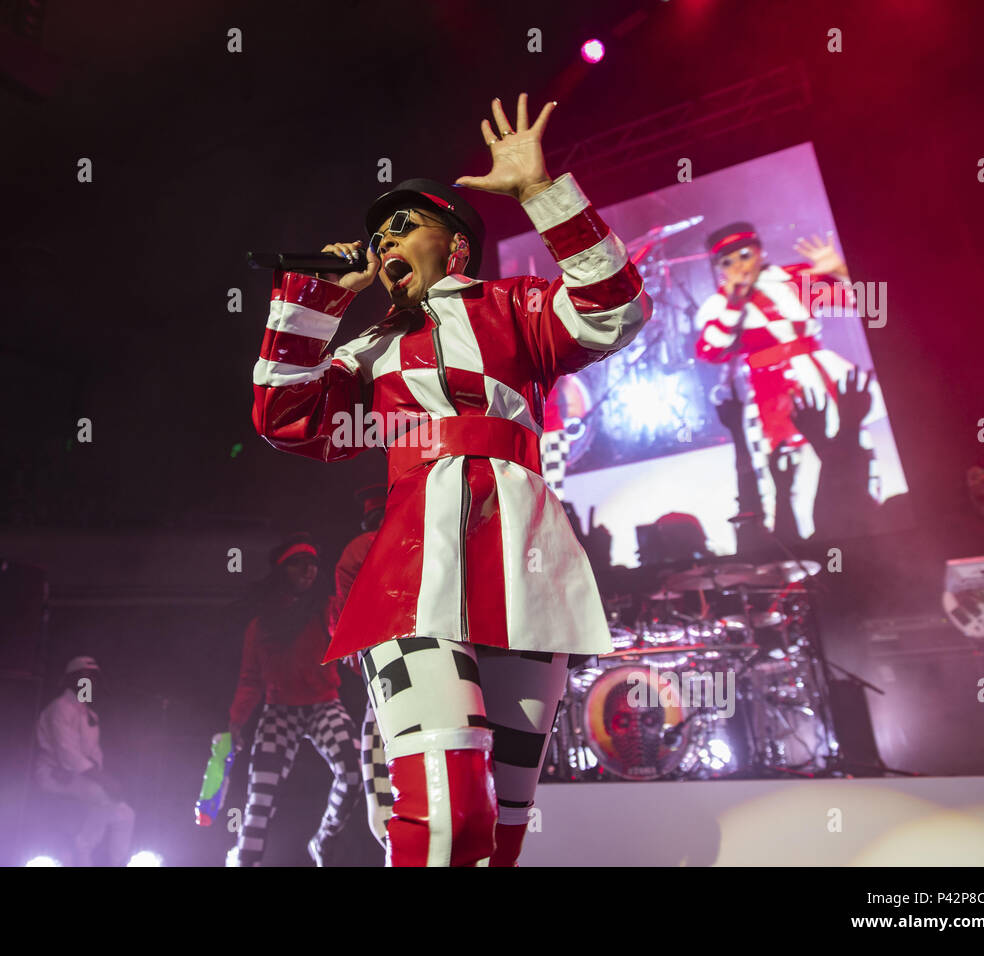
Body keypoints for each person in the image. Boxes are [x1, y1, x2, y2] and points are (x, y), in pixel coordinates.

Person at [251, 93, 651, 865]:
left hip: (528, 571)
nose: (385, 240)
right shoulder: (367, 349)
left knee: (500, 833)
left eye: (405, 227)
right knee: (447, 814)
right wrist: (318, 295)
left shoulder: (515, 309)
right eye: (378, 235)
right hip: (413, 572)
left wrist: (543, 194)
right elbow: (285, 415)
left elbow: (617, 312)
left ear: (457, 249)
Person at [693, 221, 886, 536]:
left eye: (744, 254)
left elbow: (874, 304)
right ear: (719, 269)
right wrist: (734, 302)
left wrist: (841, 269)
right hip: (769, 394)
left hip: (820, 378)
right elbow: (711, 351)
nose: (739, 266)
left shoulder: (794, 280)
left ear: (759, 251)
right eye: (728, 262)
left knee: (852, 452)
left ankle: (872, 530)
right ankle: (798, 551)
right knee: (780, 476)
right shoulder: (718, 305)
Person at [226, 534, 361, 867]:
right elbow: (249, 680)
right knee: (260, 797)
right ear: (283, 570)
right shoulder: (261, 626)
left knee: (353, 770)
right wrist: (235, 724)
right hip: (280, 710)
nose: (309, 570)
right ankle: (246, 860)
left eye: (314, 563)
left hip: (322, 704)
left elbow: (344, 633)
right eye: (300, 563)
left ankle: (324, 839)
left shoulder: (325, 609)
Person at [328, 484, 392, 856]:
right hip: (397, 671)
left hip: (386, 673)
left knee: (383, 811)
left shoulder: (361, 547)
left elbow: (343, 619)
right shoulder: (425, 535)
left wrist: (356, 654)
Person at [33, 655, 135, 866]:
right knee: (103, 795)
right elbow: (67, 753)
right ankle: (83, 846)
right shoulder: (59, 708)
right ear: (71, 680)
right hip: (53, 774)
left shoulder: (90, 715)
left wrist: (99, 774)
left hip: (79, 777)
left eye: (93, 678)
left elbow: (94, 755)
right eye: (84, 677)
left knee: (126, 814)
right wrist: (103, 780)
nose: (90, 683)